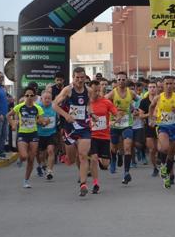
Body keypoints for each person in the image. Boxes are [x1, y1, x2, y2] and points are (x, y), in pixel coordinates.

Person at [53, 67, 94, 196]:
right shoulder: (68, 90)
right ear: (73, 77)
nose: (80, 80)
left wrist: (92, 114)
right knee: (71, 159)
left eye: (82, 77)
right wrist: (66, 115)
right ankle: (72, 160)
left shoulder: (89, 91)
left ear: (85, 77)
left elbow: (89, 105)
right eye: (77, 78)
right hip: (70, 127)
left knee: (83, 155)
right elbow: (54, 104)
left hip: (84, 126)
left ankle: (83, 184)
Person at [149, 75, 175, 189]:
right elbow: (151, 107)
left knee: (171, 154)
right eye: (167, 84)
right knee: (164, 148)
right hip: (162, 127)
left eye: (171, 84)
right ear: (163, 85)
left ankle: (166, 176)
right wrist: (151, 119)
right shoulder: (158, 98)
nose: (169, 86)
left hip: (174, 127)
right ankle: (162, 166)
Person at [7, 86, 46, 189]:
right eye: (27, 95)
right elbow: (8, 115)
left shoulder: (38, 108)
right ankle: (21, 157)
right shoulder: (19, 107)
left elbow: (41, 121)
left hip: (33, 134)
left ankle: (26, 180)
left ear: (34, 97)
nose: (29, 97)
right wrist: (13, 124)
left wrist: (43, 122)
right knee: (24, 156)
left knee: (31, 159)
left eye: (31, 95)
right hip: (22, 134)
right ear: (24, 96)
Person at [105, 72, 139, 184]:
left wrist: (134, 110)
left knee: (127, 147)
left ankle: (126, 172)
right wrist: (113, 112)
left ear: (126, 80)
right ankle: (113, 159)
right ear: (116, 81)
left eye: (123, 79)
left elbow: (139, 101)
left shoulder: (131, 93)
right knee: (113, 148)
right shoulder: (112, 93)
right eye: (119, 79)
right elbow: (104, 103)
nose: (121, 81)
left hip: (127, 124)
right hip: (115, 124)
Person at [89, 80, 119, 195]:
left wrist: (115, 119)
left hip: (105, 136)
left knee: (105, 165)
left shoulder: (106, 102)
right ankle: (96, 183)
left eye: (98, 90)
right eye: (94, 91)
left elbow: (116, 114)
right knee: (94, 158)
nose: (96, 93)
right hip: (91, 136)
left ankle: (103, 160)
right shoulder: (86, 103)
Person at [138, 81, 160, 177]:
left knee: (161, 148)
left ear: (157, 88)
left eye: (154, 87)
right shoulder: (144, 101)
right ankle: (155, 167)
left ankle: (162, 162)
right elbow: (140, 115)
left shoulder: (161, 99)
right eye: (150, 87)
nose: (152, 89)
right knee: (152, 149)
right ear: (148, 89)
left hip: (160, 126)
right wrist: (150, 115)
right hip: (149, 127)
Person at [37, 91, 58, 180]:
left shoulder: (54, 107)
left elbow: (58, 119)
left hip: (51, 133)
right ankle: (43, 164)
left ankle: (49, 171)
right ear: (41, 99)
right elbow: (35, 120)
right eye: (45, 98)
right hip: (40, 134)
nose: (47, 100)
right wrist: (43, 122)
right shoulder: (37, 108)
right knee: (41, 154)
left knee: (50, 151)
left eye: (49, 98)